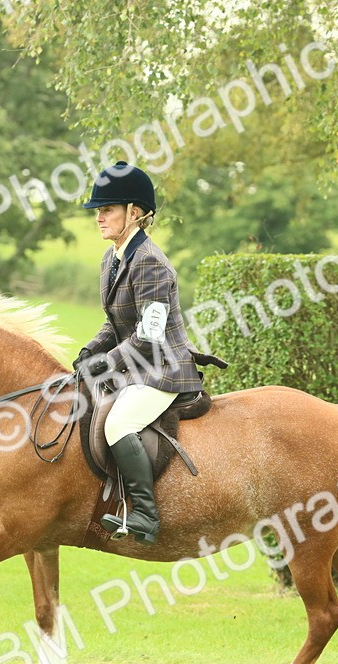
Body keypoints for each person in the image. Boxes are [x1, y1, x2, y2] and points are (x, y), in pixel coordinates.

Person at [75, 161, 205, 546]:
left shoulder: (149, 261)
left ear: (134, 213)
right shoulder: (112, 258)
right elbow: (117, 324)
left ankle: (146, 514)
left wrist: (107, 362)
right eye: (98, 211)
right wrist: (90, 350)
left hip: (163, 369)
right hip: (137, 365)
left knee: (118, 424)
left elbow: (147, 336)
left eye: (107, 210)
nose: (99, 218)